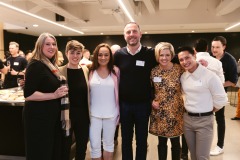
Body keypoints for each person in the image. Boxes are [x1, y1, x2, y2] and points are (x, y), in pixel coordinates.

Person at [114, 22, 157, 160]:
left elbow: (169, 60)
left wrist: (199, 62)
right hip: (124, 105)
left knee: (141, 141)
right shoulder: (118, 55)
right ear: (124, 36)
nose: (131, 34)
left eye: (134, 31)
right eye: (128, 32)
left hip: (143, 105)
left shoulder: (150, 53)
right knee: (125, 140)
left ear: (140, 34)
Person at [177, 46, 228, 160]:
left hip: (204, 121)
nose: (185, 62)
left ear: (194, 55)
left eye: (187, 57)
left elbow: (222, 99)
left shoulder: (209, 76)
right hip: (187, 120)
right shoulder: (184, 77)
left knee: (202, 157)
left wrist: (209, 110)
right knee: (193, 155)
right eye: (181, 60)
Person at [23, 32, 68, 160]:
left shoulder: (50, 65)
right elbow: (29, 94)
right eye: (47, 44)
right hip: (38, 119)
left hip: (49, 117)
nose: (52, 47)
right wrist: (54, 95)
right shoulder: (36, 64)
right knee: (40, 152)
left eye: (54, 44)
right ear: (40, 46)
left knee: (50, 152)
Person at [149, 42, 184, 160]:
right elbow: (148, 89)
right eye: (161, 55)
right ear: (157, 56)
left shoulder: (179, 69)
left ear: (172, 55)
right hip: (160, 112)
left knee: (175, 143)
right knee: (162, 143)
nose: (164, 58)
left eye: (167, 55)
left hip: (176, 112)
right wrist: (151, 101)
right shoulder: (153, 71)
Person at [59, 40, 90, 160]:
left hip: (83, 116)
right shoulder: (59, 71)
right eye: (72, 52)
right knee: (65, 148)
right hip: (66, 115)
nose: (75, 56)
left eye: (78, 53)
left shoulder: (85, 70)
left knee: (82, 148)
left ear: (82, 54)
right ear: (66, 53)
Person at [89, 43, 120, 160]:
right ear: (96, 56)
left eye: (106, 55)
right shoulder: (90, 71)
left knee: (109, 145)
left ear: (110, 56)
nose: (103, 57)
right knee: (95, 146)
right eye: (100, 55)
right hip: (93, 115)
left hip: (111, 114)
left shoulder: (116, 71)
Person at [210, 36, 238, 156]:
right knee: (206, 119)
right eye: (213, 47)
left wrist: (217, 85)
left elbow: (233, 81)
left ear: (224, 47)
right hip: (206, 93)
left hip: (220, 93)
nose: (214, 50)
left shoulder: (230, 60)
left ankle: (220, 145)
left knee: (219, 118)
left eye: (217, 47)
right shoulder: (209, 58)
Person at [110, 44, 121, 146]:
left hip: (120, 100)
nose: (114, 54)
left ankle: (114, 138)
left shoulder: (120, 65)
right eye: (113, 52)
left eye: (116, 52)